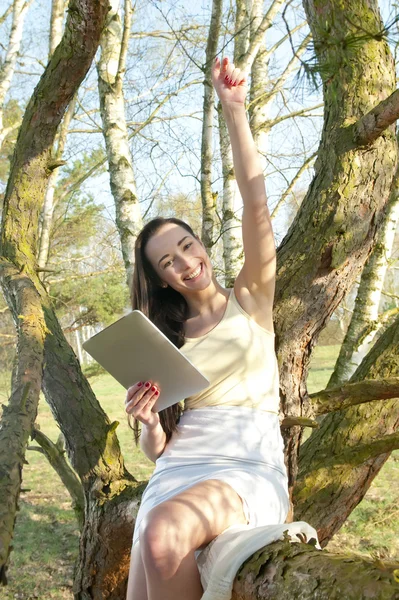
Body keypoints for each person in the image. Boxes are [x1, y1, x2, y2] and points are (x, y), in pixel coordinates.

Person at [124, 56, 289, 600]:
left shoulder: (251, 300)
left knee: (164, 531)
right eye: (168, 262)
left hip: (246, 462)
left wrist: (234, 110)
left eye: (186, 246)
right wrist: (148, 421)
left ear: (201, 245)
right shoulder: (161, 338)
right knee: (155, 534)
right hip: (177, 469)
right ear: (162, 279)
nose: (185, 262)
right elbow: (158, 447)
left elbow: (256, 206)